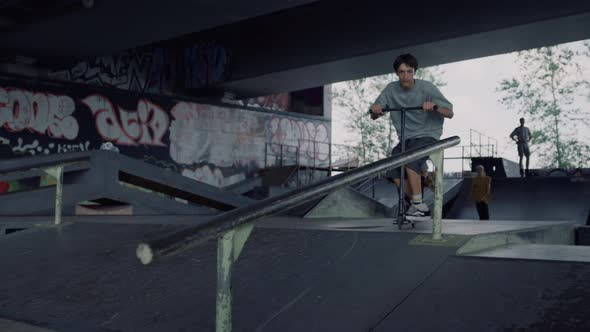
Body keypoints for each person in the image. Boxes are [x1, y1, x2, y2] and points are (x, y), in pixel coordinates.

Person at [370, 53, 453, 219]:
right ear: (396, 73)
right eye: (402, 72)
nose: (406, 76)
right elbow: (374, 114)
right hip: (405, 139)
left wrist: (434, 106)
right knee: (392, 170)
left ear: (415, 71)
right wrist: (376, 110)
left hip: (428, 135)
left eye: (409, 71)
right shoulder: (391, 89)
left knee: (409, 159)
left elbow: (449, 113)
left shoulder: (427, 88)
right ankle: (415, 200)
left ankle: (418, 205)